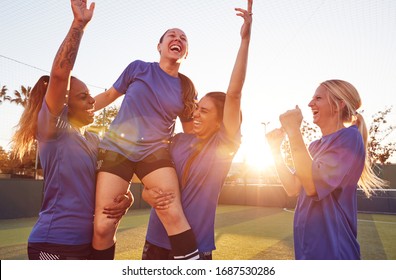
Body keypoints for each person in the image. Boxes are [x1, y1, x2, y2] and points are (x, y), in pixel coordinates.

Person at [11, 0, 132, 260]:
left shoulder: (91, 138)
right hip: (54, 244)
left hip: (90, 244)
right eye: (83, 96)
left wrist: (127, 196)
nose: (92, 101)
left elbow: (107, 178)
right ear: (65, 104)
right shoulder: (53, 131)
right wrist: (79, 25)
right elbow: (59, 76)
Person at [141, 0, 253, 260]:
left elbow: (234, 94)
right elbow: (147, 176)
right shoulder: (177, 141)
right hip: (155, 241)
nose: (195, 113)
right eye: (196, 107)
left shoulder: (224, 145)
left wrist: (245, 41)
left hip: (195, 246)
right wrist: (147, 194)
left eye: (204, 110)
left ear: (221, 119)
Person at [90, 17, 199, 259]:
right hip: (116, 149)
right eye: (172, 35)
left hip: (155, 153)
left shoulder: (186, 88)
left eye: (183, 38)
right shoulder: (138, 68)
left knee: (170, 209)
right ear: (159, 46)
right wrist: (71, 115)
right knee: (103, 225)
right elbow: (108, 95)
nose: (177, 39)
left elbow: (191, 134)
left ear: (186, 53)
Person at [265, 79, 388, 260]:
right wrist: (275, 150)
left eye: (318, 98)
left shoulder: (350, 138)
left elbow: (313, 186)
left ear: (338, 105)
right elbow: (292, 187)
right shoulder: (314, 146)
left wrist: (293, 131)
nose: (310, 103)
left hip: (333, 253)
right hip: (308, 251)